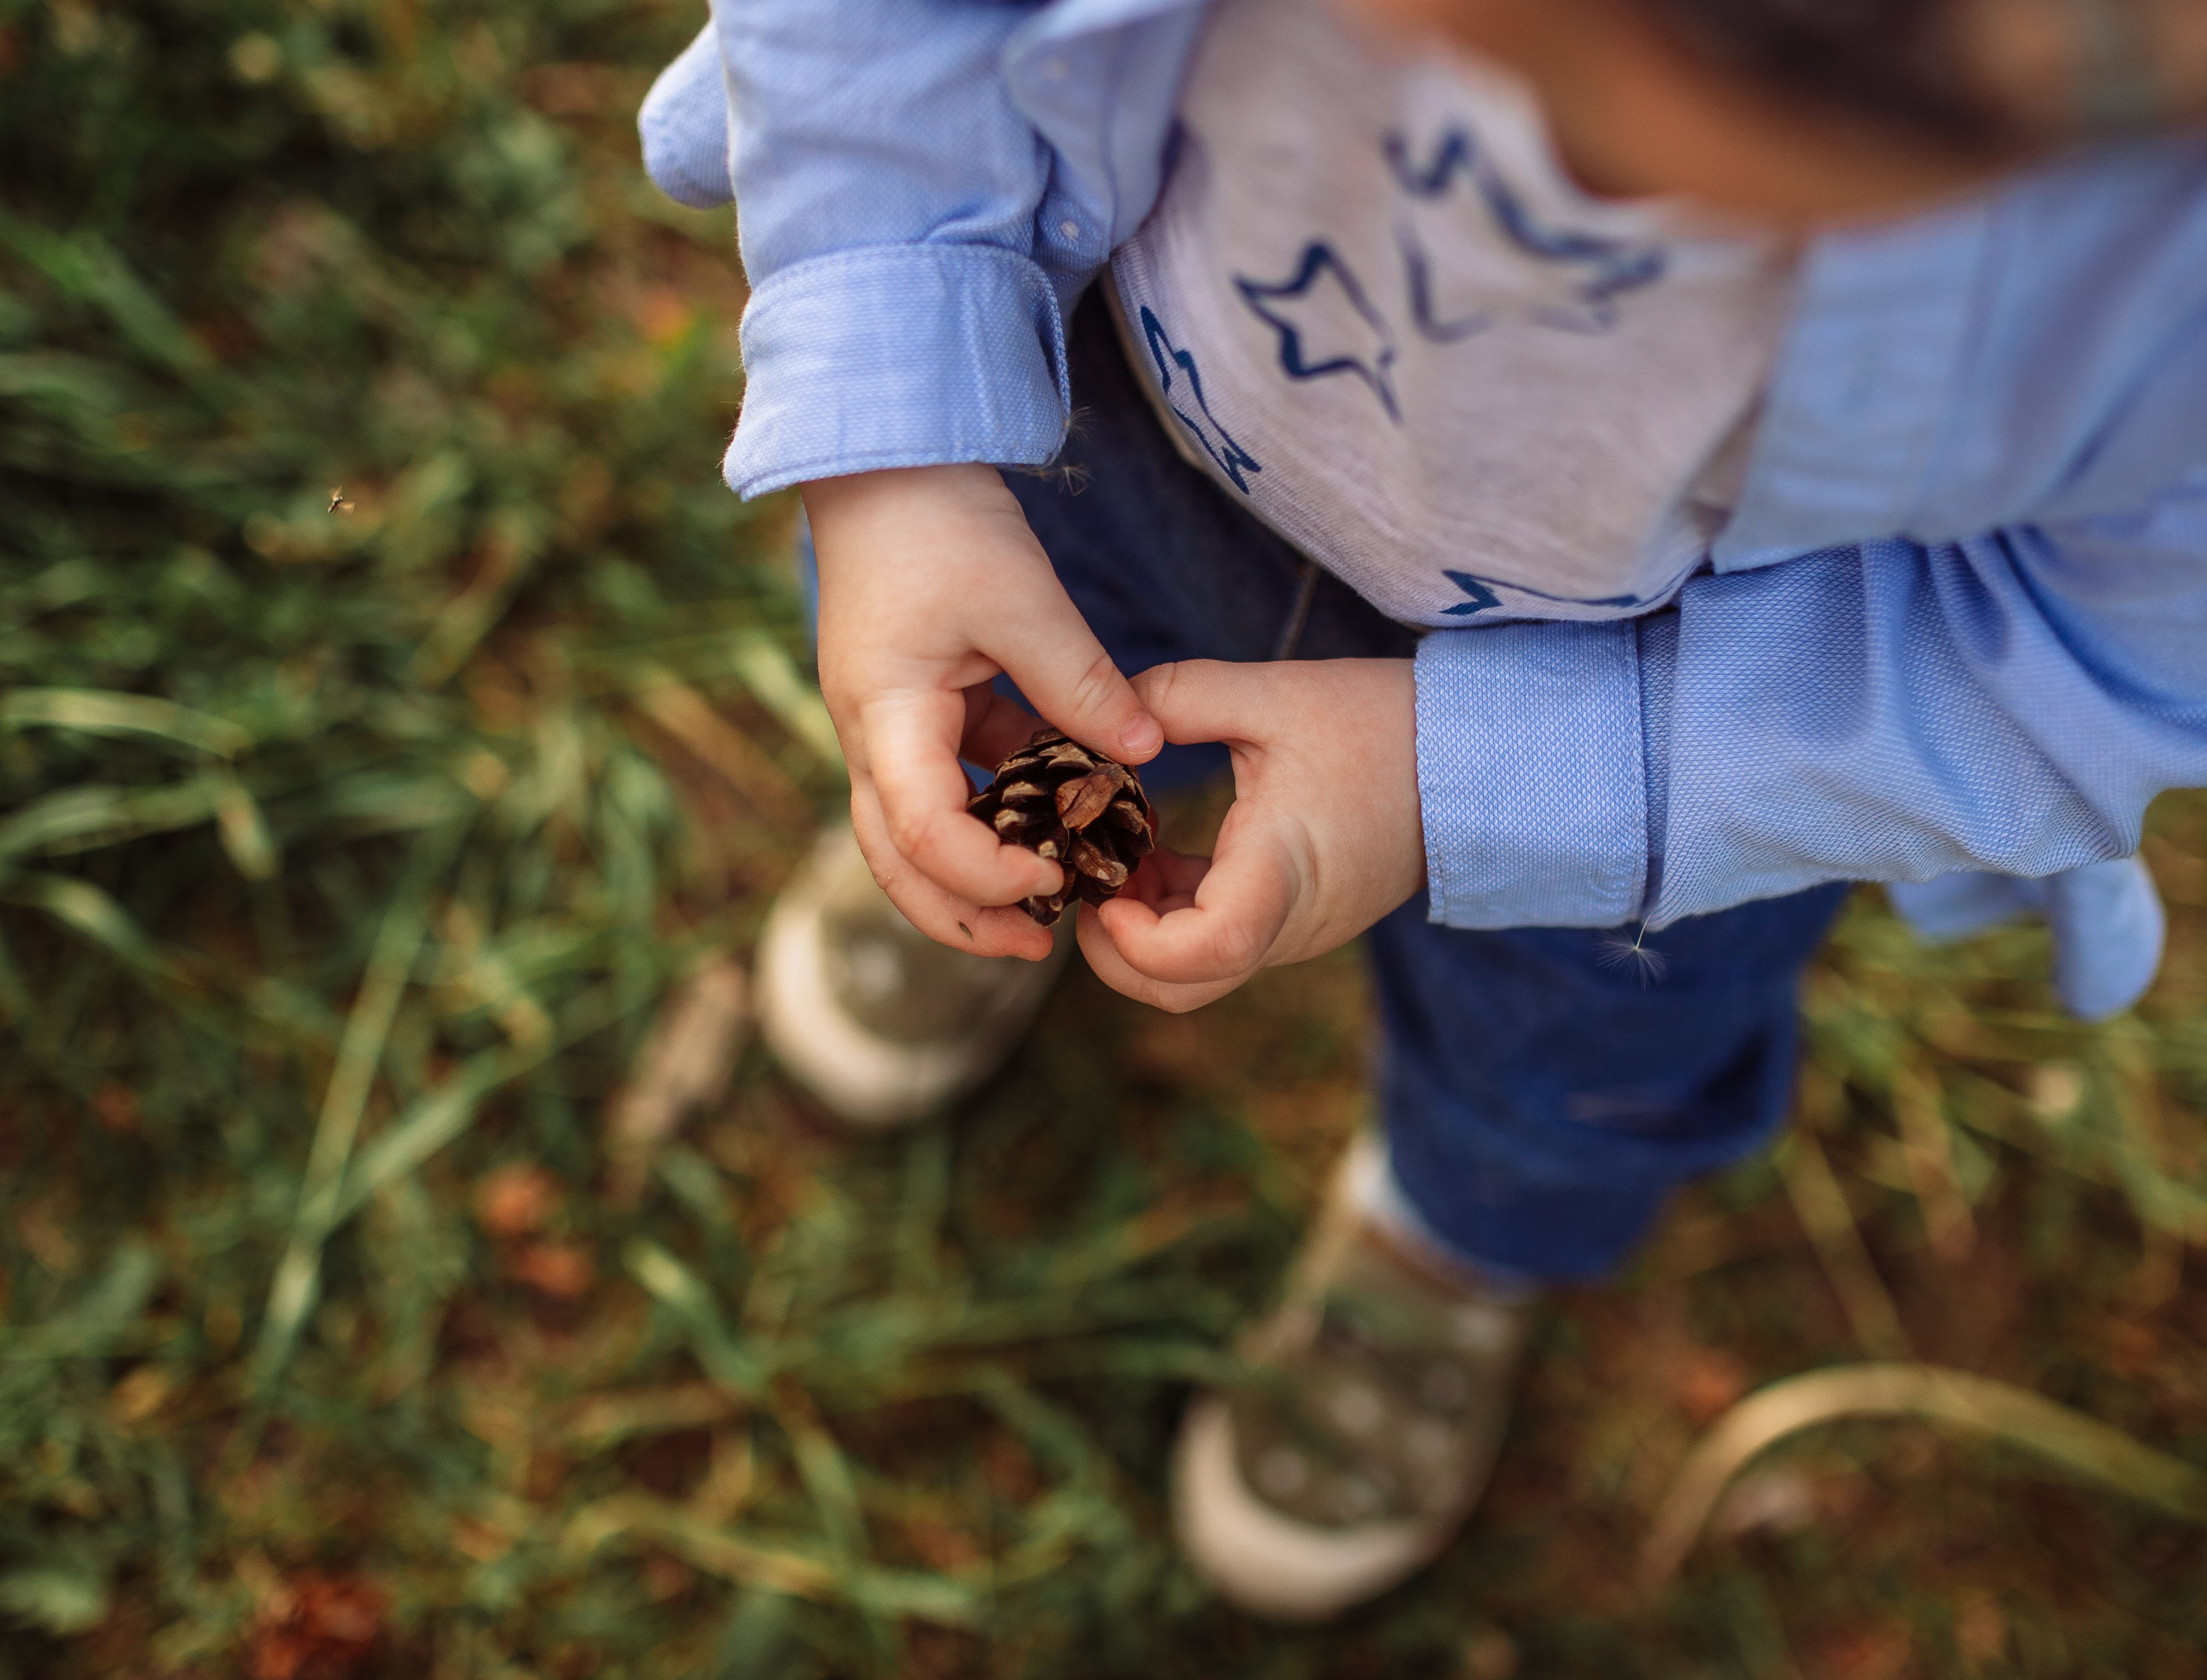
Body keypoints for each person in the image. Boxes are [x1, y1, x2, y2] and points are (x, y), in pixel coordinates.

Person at [641, 0, 2207, 1621]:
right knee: (1021, 699)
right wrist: (903, 445)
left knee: (1584, 1045)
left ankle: (1456, 1233)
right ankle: (1006, 843)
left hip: (1681, 708)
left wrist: (1478, 779)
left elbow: (2084, 665)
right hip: (1103, 425)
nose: (1551, 193)